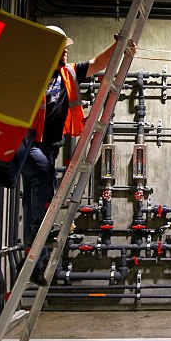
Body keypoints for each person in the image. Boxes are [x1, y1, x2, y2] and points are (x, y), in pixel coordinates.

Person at [19, 26, 132, 285]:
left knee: (35, 199)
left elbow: (97, 64)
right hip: (25, 141)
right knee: (45, 177)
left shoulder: (68, 73)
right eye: (61, 48)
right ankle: (40, 235)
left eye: (66, 48)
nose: (66, 52)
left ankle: (32, 260)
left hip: (48, 146)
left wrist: (119, 46)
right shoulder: (29, 74)